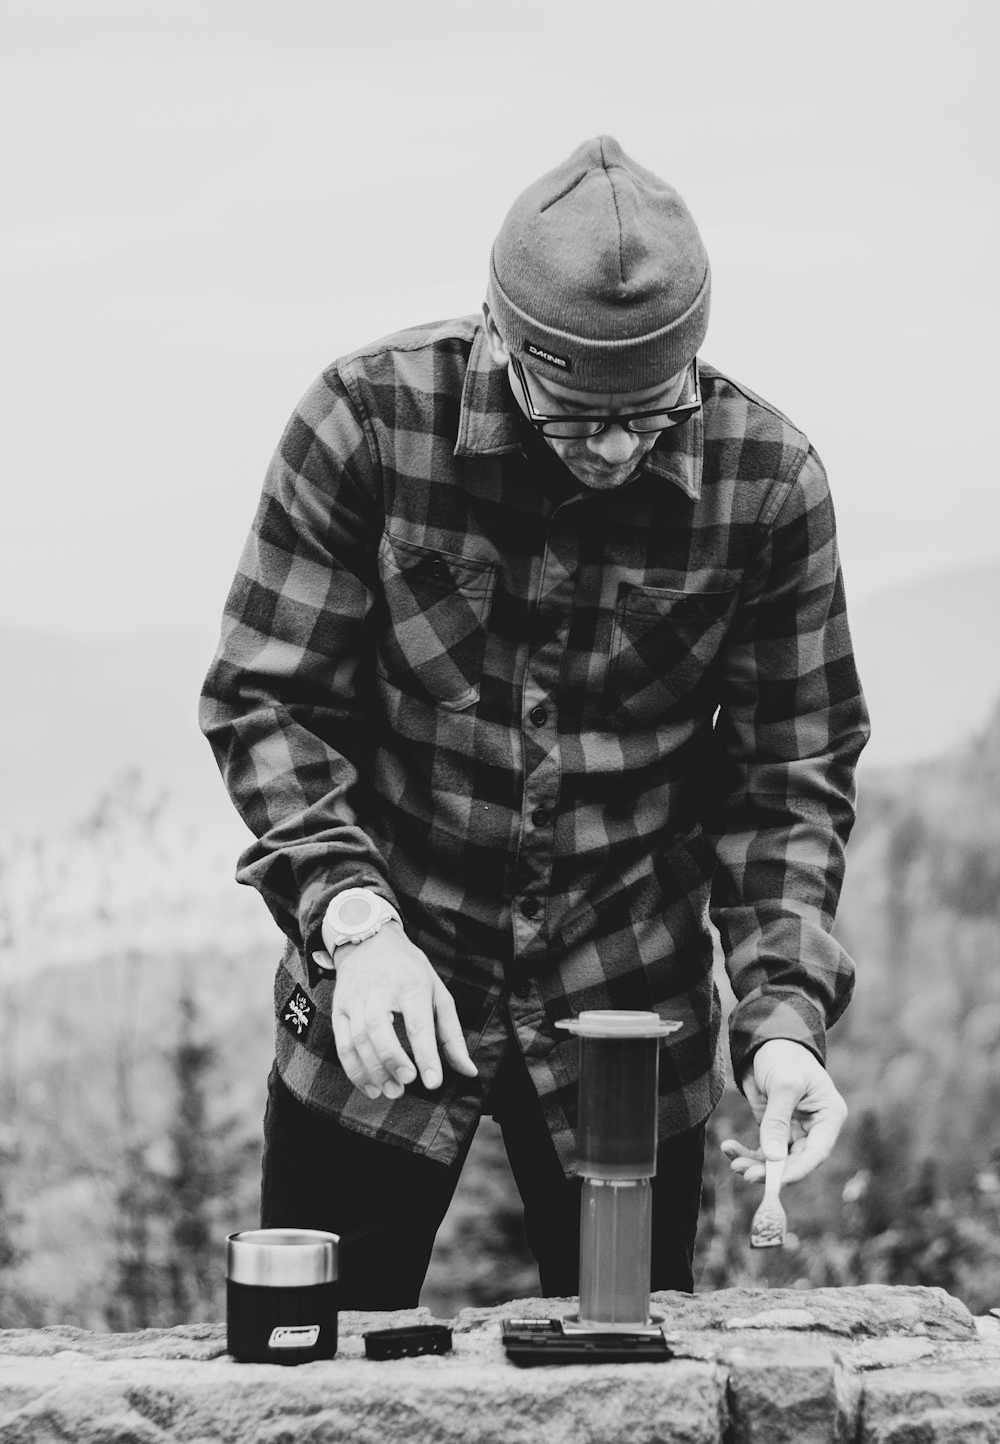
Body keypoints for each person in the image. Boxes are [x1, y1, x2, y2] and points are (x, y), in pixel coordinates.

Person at [200, 136, 869, 1310]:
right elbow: (270, 700)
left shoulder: (768, 482)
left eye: (650, 417)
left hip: (628, 1007)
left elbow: (786, 781)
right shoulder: (365, 420)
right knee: (320, 1355)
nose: (614, 450)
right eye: (574, 417)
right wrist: (353, 926)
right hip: (388, 980)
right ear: (502, 339)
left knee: (624, 1367)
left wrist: (783, 1023)